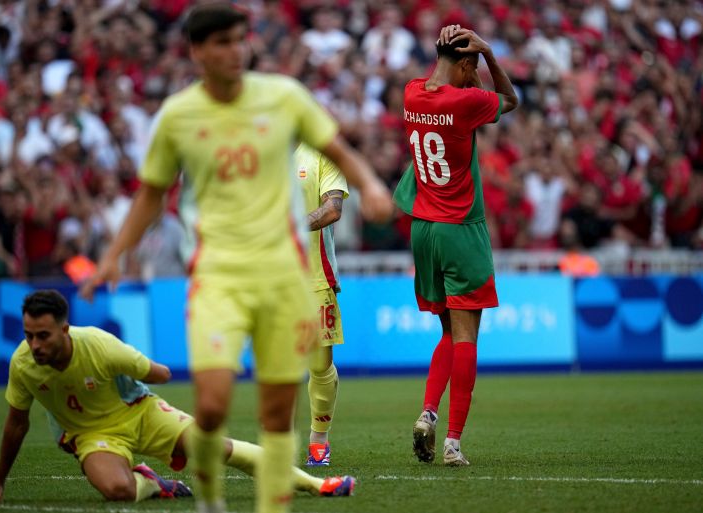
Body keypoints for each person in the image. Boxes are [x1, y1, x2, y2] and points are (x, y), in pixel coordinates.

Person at [80, 4, 393, 513]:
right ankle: (210, 500)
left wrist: (372, 186)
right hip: (217, 277)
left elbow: (337, 147)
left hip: (284, 278)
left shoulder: (284, 97)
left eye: (239, 40)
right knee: (211, 403)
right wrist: (116, 254)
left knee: (275, 413)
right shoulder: (179, 116)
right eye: (221, 43)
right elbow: (151, 194)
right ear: (197, 51)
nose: (234, 51)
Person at [0, 290, 358, 505]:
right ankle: (153, 483)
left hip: (141, 413)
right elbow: (16, 423)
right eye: (29, 335)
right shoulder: (22, 365)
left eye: (43, 336)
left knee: (218, 449)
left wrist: (143, 369)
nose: (34, 345)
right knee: (117, 490)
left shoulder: (100, 346)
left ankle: (317, 484)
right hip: (93, 436)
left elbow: (160, 373)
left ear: (64, 329)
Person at [394, 25, 518, 466]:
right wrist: (488, 53)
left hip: (423, 228)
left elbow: (451, 82)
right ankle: (452, 443)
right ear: (466, 64)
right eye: (471, 68)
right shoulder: (466, 102)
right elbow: (509, 101)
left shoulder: (411, 93)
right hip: (460, 226)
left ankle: (427, 413)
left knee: (447, 330)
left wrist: (464, 59)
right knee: (467, 336)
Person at [295, 143, 348, 466]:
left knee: (318, 365)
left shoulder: (321, 156)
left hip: (314, 277)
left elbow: (333, 209)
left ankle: (318, 439)